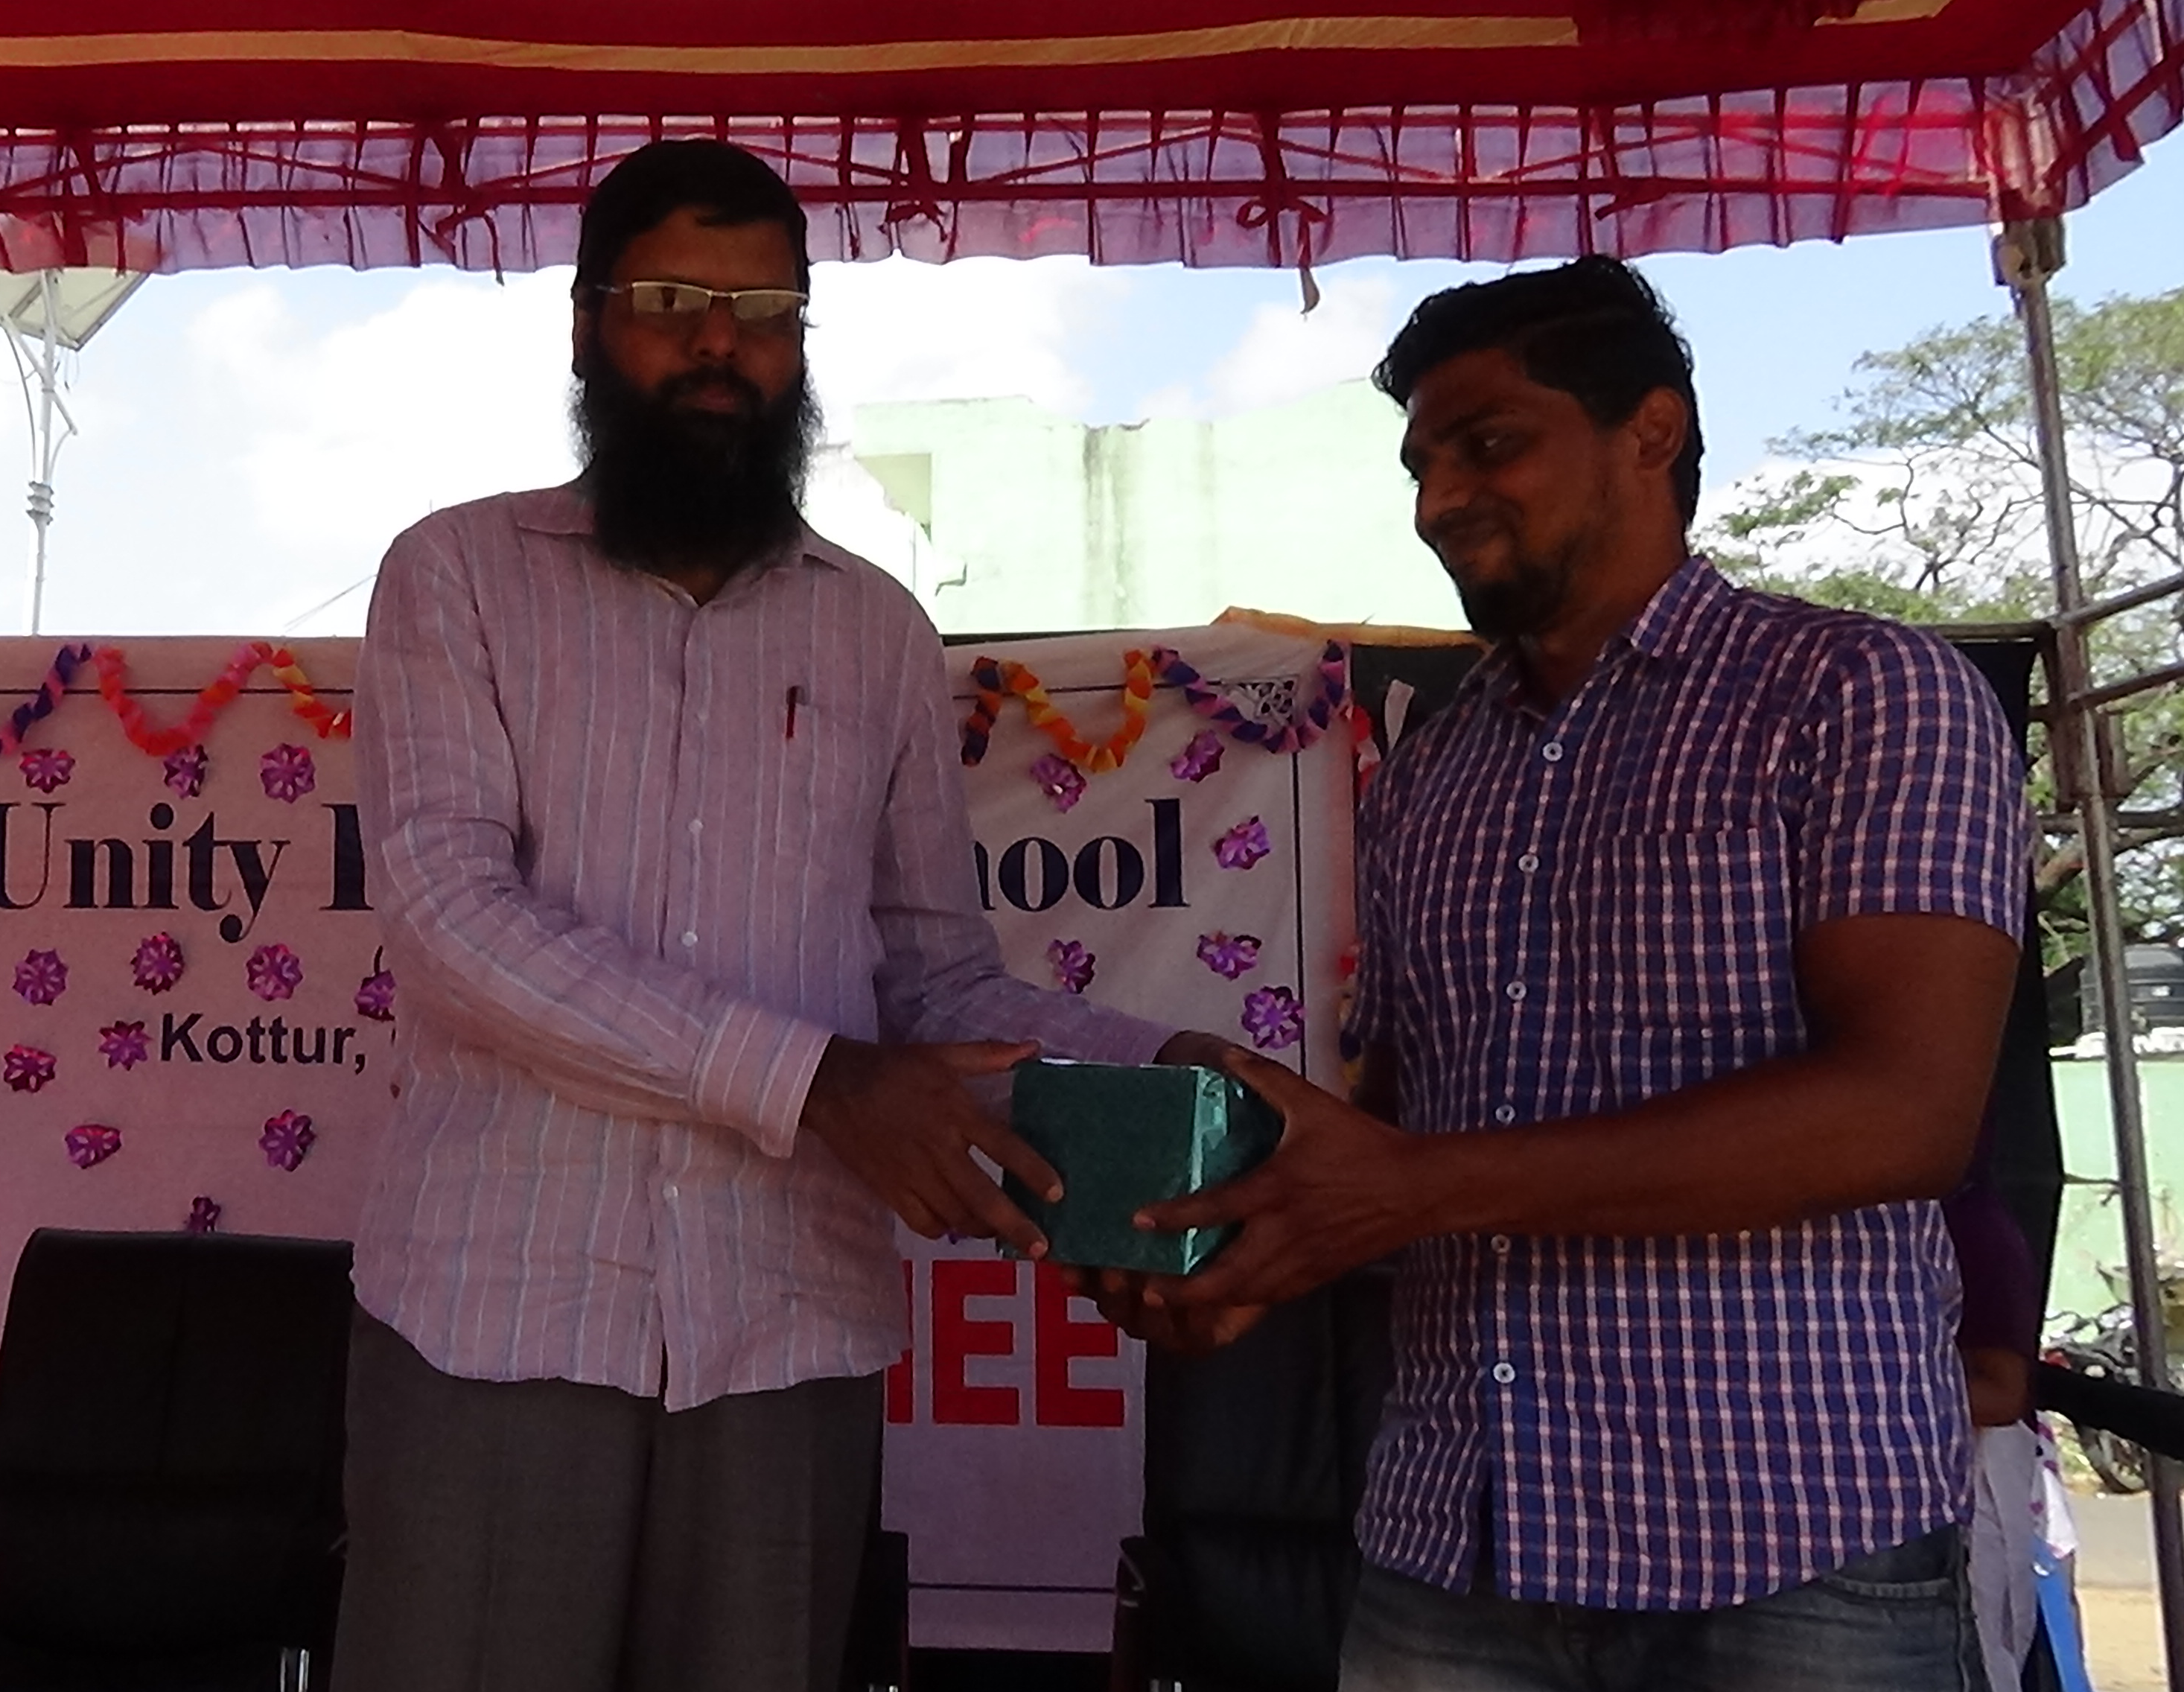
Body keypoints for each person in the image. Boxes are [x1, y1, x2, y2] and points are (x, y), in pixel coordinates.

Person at [1095, 257, 2031, 1690]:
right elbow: (1401, 1126)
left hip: (1793, 1545)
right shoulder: (1433, 774)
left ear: (1651, 432)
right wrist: (1257, 1248)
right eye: (1421, 466)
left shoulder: (1860, 694)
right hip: (1458, 1544)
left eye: (1490, 444)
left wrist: (1408, 1188)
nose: (1440, 500)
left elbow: (1902, 1115)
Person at [341, 139, 1201, 1692]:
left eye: (763, 312)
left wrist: (1177, 1078)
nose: (719, 346)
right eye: (673, 302)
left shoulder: (878, 630)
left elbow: (932, 980)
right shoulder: (454, 574)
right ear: (589, 327)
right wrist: (817, 1084)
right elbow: (449, 914)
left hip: (785, 1325)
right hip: (496, 1314)